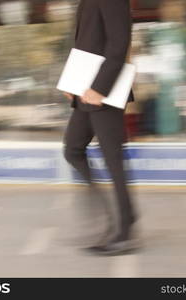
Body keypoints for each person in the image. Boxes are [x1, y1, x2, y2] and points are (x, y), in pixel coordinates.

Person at [62, 0, 138, 256]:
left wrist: (100, 89)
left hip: (103, 91)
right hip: (86, 88)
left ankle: (123, 228)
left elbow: (119, 42)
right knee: (73, 149)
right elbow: (87, 43)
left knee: (112, 158)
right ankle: (115, 216)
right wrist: (71, 80)